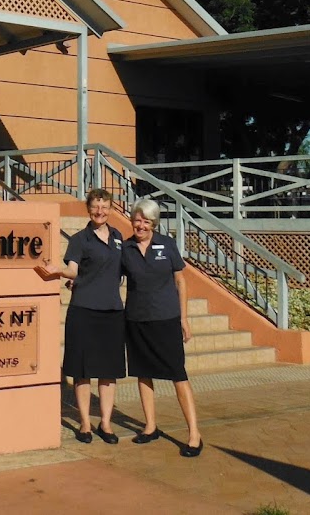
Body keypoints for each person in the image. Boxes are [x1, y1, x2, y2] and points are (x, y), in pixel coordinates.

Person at [122, 197, 203, 457]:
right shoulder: (126, 248)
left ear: (154, 223)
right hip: (136, 319)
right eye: (137, 220)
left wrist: (184, 318)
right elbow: (107, 275)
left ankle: (194, 434)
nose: (141, 225)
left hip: (166, 319)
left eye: (146, 221)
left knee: (178, 374)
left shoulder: (166, 245)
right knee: (143, 372)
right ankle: (150, 426)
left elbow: (181, 282)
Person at [49, 188, 126, 444]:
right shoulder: (80, 239)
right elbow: (73, 270)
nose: (100, 211)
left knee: (108, 371)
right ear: (88, 209)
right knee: (82, 371)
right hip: (83, 310)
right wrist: (57, 272)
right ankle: (84, 423)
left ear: (111, 209)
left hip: (112, 312)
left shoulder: (118, 238)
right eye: (95, 207)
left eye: (104, 207)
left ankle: (105, 423)